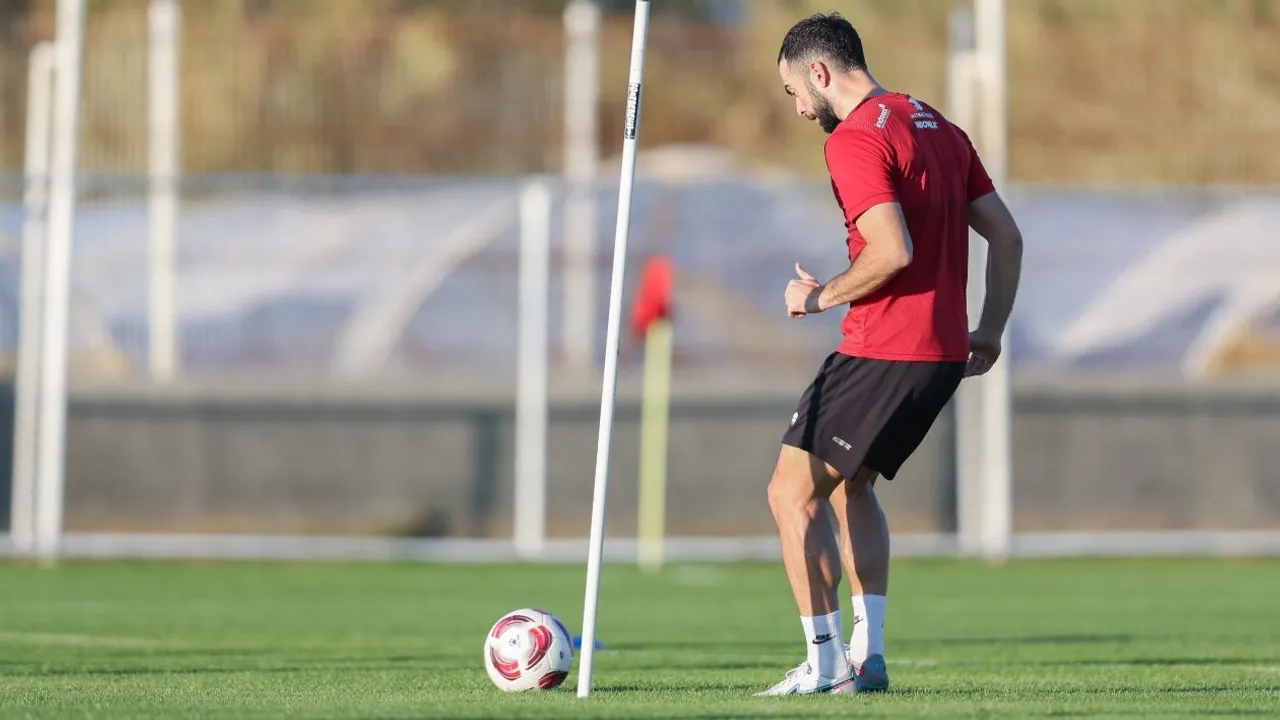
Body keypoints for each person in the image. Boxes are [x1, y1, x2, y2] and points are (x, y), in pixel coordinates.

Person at [758, 12, 1024, 696]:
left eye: (795, 92)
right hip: (939, 355)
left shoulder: (852, 139)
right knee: (853, 486)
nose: (797, 108)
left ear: (820, 72)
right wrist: (989, 329)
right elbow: (1008, 236)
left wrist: (817, 299)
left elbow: (892, 251)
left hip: (885, 348)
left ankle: (822, 665)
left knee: (789, 495)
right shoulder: (934, 122)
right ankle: (867, 657)